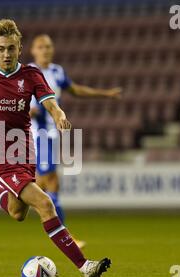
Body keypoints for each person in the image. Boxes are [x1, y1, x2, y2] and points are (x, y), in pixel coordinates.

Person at [0, 19, 110, 277]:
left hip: (25, 152)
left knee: (18, 212)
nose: (6, 54)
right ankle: (85, 266)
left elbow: (51, 103)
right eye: (1, 49)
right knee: (45, 204)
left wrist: (59, 116)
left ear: (20, 49)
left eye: (11, 48)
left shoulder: (31, 76)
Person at [28, 34, 122, 248]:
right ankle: (65, 238)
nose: (46, 50)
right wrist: (28, 110)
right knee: (49, 181)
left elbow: (76, 90)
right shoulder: (28, 72)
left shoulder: (57, 71)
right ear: (33, 50)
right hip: (37, 134)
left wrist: (105, 94)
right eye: (41, 47)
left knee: (43, 184)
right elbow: (19, 100)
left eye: (49, 46)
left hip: (52, 134)